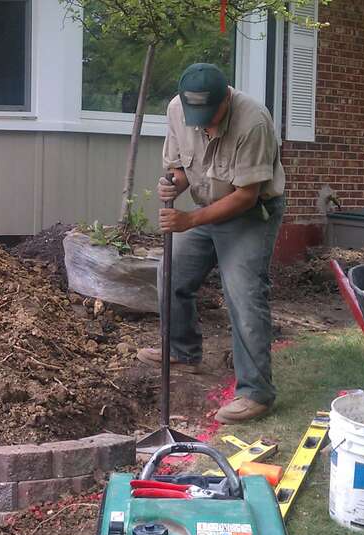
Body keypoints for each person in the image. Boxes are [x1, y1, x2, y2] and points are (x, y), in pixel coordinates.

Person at [136, 63, 286, 424]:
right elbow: (183, 170)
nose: (205, 124)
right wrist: (173, 185)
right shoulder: (177, 110)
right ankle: (182, 350)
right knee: (170, 273)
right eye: (197, 117)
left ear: (227, 99)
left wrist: (188, 221)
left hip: (250, 214)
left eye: (211, 116)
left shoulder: (254, 122)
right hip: (209, 206)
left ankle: (256, 393)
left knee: (244, 294)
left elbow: (245, 196)